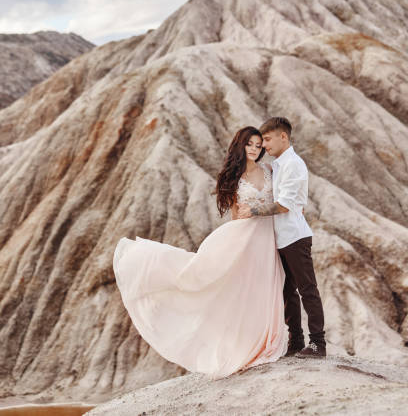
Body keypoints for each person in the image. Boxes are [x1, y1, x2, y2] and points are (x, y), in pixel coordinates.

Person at [113, 126, 286, 378]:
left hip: (267, 236)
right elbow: (237, 214)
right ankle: (245, 347)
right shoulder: (235, 177)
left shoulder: (269, 171)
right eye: (249, 144)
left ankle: (266, 343)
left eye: (258, 145)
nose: (254, 149)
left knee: (264, 287)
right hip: (244, 236)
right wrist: (236, 247)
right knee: (229, 286)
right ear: (240, 145)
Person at [237, 117, 326, 358]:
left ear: (282, 137)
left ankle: (318, 343)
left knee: (308, 289)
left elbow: (285, 205)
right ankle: (295, 341)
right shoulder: (277, 165)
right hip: (280, 238)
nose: (264, 145)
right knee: (287, 293)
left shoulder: (293, 164)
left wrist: (252, 211)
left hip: (295, 237)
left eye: (267, 139)